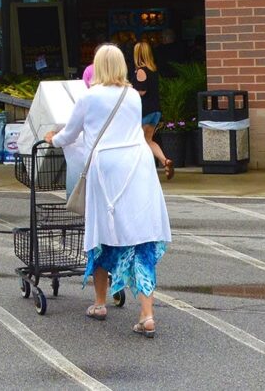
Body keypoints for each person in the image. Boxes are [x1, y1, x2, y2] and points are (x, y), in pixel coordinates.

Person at [45, 44, 171, 336]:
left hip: (107, 170)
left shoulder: (89, 97)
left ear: (98, 66)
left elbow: (69, 135)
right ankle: (147, 313)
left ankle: (100, 302)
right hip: (138, 167)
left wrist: (52, 138)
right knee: (142, 238)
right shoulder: (132, 96)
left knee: (101, 232)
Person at [133, 39, 174, 180]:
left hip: (144, 110)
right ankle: (164, 161)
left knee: (138, 140)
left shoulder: (140, 71)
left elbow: (142, 91)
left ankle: (142, 170)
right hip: (156, 110)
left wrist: (129, 90)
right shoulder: (153, 69)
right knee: (148, 140)